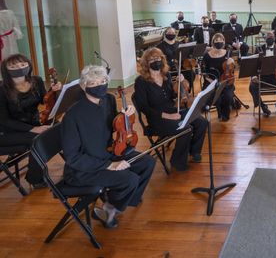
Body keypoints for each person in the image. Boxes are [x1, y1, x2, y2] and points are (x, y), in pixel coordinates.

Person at [61, 65, 156, 229]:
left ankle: (118, 202)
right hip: (83, 169)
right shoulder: (72, 115)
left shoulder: (108, 100)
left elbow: (114, 125)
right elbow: (73, 157)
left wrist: (126, 114)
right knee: (130, 179)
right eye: (93, 83)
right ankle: (110, 208)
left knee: (147, 162)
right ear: (84, 86)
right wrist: (110, 165)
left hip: (108, 152)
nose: (100, 85)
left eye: (103, 81)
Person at [134, 48, 206, 171]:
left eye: (158, 58)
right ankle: (177, 161)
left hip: (173, 111)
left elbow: (172, 96)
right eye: (152, 59)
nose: (156, 61)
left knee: (202, 122)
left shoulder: (166, 75)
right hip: (157, 119)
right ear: (146, 63)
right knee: (185, 128)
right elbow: (144, 108)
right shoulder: (141, 82)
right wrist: (168, 116)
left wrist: (179, 84)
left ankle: (194, 151)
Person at [0, 54, 61, 189]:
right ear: (5, 69)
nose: (19, 68)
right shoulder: (2, 89)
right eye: (13, 66)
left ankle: (75, 167)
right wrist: (32, 129)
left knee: (60, 128)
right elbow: (4, 120)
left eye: (23, 64)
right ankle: (35, 177)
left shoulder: (36, 81)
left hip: (33, 123)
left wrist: (53, 91)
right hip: (8, 131)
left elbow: (44, 101)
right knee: (39, 139)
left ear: (29, 65)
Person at [249, 31, 276, 117]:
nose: (270, 38)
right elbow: (254, 64)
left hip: (275, 76)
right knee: (252, 87)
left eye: (272, 37)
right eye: (268, 37)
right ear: (265, 38)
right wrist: (253, 76)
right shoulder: (259, 48)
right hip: (262, 76)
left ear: (274, 38)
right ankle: (263, 106)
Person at [201, 33, 235, 121]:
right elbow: (204, 72)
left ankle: (225, 114)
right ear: (213, 42)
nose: (219, 42)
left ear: (223, 42)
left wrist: (232, 62)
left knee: (228, 97)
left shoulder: (227, 53)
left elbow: (232, 69)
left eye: (221, 40)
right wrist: (212, 81)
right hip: (211, 82)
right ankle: (220, 111)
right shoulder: (207, 55)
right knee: (216, 98)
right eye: (216, 40)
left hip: (225, 81)